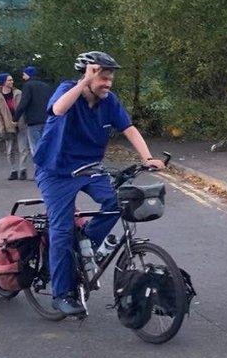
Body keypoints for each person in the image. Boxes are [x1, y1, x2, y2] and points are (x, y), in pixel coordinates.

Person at [34, 51, 165, 316]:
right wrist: (83, 82)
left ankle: (88, 243)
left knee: (117, 200)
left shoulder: (109, 101)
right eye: (102, 78)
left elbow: (129, 128)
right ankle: (62, 294)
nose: (107, 83)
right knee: (61, 229)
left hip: (89, 168)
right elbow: (58, 109)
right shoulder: (68, 90)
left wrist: (148, 157)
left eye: (110, 79)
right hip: (56, 172)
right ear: (88, 74)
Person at [0, 72, 29, 180]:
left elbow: (24, 108)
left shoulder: (18, 93)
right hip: (8, 126)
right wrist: (1, 129)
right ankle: (13, 170)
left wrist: (24, 120)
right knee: (10, 150)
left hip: (20, 124)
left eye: (12, 80)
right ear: (3, 82)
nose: (12, 82)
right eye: (9, 80)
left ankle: (23, 169)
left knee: (23, 148)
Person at [13, 66, 53, 162]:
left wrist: (15, 118)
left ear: (28, 74)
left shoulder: (28, 85)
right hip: (46, 120)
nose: (23, 77)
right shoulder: (46, 86)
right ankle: (47, 168)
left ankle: (39, 171)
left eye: (24, 74)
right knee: (46, 145)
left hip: (33, 121)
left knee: (35, 147)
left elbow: (23, 103)